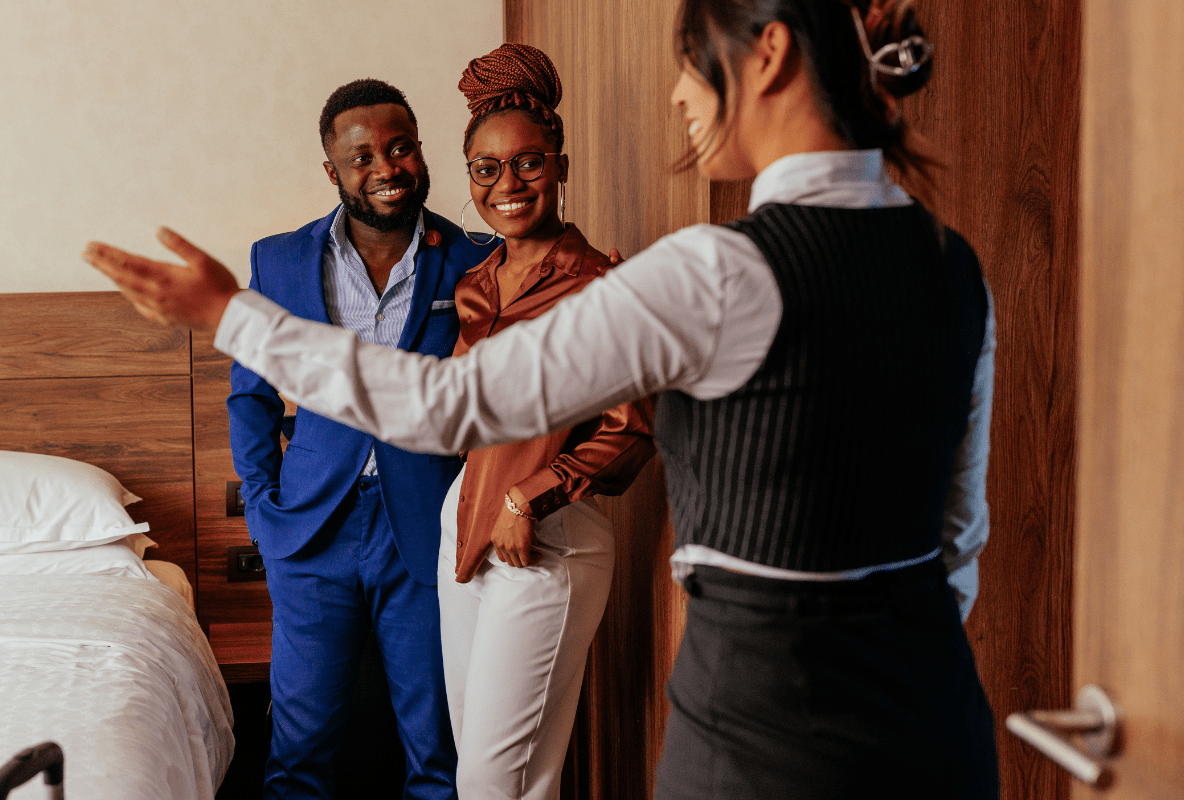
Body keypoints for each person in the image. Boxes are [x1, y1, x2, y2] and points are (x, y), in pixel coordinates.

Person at [86, 0, 999, 797]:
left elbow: (451, 405)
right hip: (937, 709)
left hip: (766, 721)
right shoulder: (954, 266)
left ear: (768, 56)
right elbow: (958, 533)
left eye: (691, 65)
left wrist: (228, 315)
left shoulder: (717, 270)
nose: (682, 97)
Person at [226, 78, 492, 799]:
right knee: (299, 748)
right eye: (363, 155)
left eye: (400, 147)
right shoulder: (279, 261)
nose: (385, 168)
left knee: (439, 744)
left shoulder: (473, 259)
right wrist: (262, 506)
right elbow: (250, 395)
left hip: (427, 528)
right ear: (333, 171)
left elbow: (492, 398)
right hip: (313, 530)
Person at [436, 44, 656, 800]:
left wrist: (530, 495)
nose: (507, 184)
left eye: (528, 164)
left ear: (560, 164)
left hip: (546, 537)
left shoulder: (599, 285)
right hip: (462, 522)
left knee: (500, 783)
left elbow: (634, 428)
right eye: (486, 169)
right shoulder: (474, 284)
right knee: (485, 769)